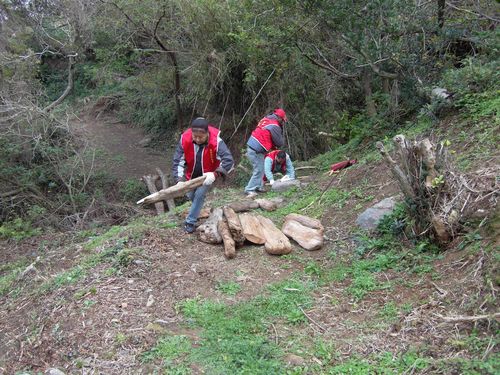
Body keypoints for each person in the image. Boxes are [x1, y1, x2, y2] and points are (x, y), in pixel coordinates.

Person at [172, 117, 234, 233]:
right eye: (195, 136)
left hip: (207, 176)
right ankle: (197, 209)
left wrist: (215, 174)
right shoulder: (185, 139)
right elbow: (178, 161)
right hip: (191, 175)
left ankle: (190, 222)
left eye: (201, 137)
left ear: (207, 134)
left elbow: (228, 160)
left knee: (199, 195)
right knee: (191, 196)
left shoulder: (216, 141)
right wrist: (179, 179)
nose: (197, 139)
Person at [244, 108, 287, 196]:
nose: (282, 122)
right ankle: (249, 189)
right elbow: (279, 142)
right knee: (258, 170)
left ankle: (258, 187)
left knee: (262, 168)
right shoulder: (275, 126)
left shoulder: (266, 119)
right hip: (255, 150)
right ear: (279, 118)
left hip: (254, 147)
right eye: (282, 120)